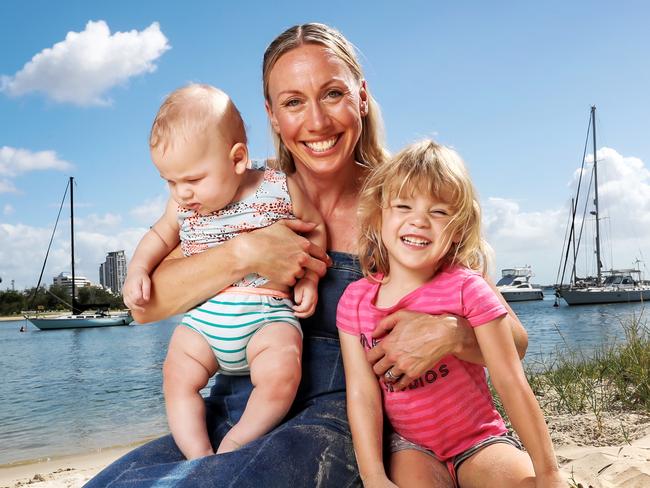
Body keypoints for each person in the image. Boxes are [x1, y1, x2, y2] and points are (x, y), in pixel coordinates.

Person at [86, 23, 528, 487]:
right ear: (272, 116)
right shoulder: (239, 194)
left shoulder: (404, 203)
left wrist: (449, 334)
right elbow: (144, 306)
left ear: (361, 96)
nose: (316, 122)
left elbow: (513, 342)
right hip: (237, 409)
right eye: (294, 102)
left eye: (332, 93)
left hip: (340, 414)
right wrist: (247, 252)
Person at [337, 140, 563, 488]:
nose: (419, 221)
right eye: (403, 205)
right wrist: (374, 477)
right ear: (379, 215)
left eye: (439, 212)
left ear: (458, 228)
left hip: (478, 439)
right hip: (411, 447)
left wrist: (549, 473)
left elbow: (509, 378)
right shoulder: (354, 301)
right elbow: (362, 393)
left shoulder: (467, 288)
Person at [122, 83, 326, 459]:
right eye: (170, 181)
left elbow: (314, 228)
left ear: (237, 159)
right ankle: (198, 454)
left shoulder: (279, 186)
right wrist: (137, 270)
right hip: (205, 321)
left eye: (193, 180)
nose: (181, 193)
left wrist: (311, 277)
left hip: (269, 315)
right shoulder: (185, 208)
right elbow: (156, 237)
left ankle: (237, 441)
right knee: (176, 377)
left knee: (282, 373)